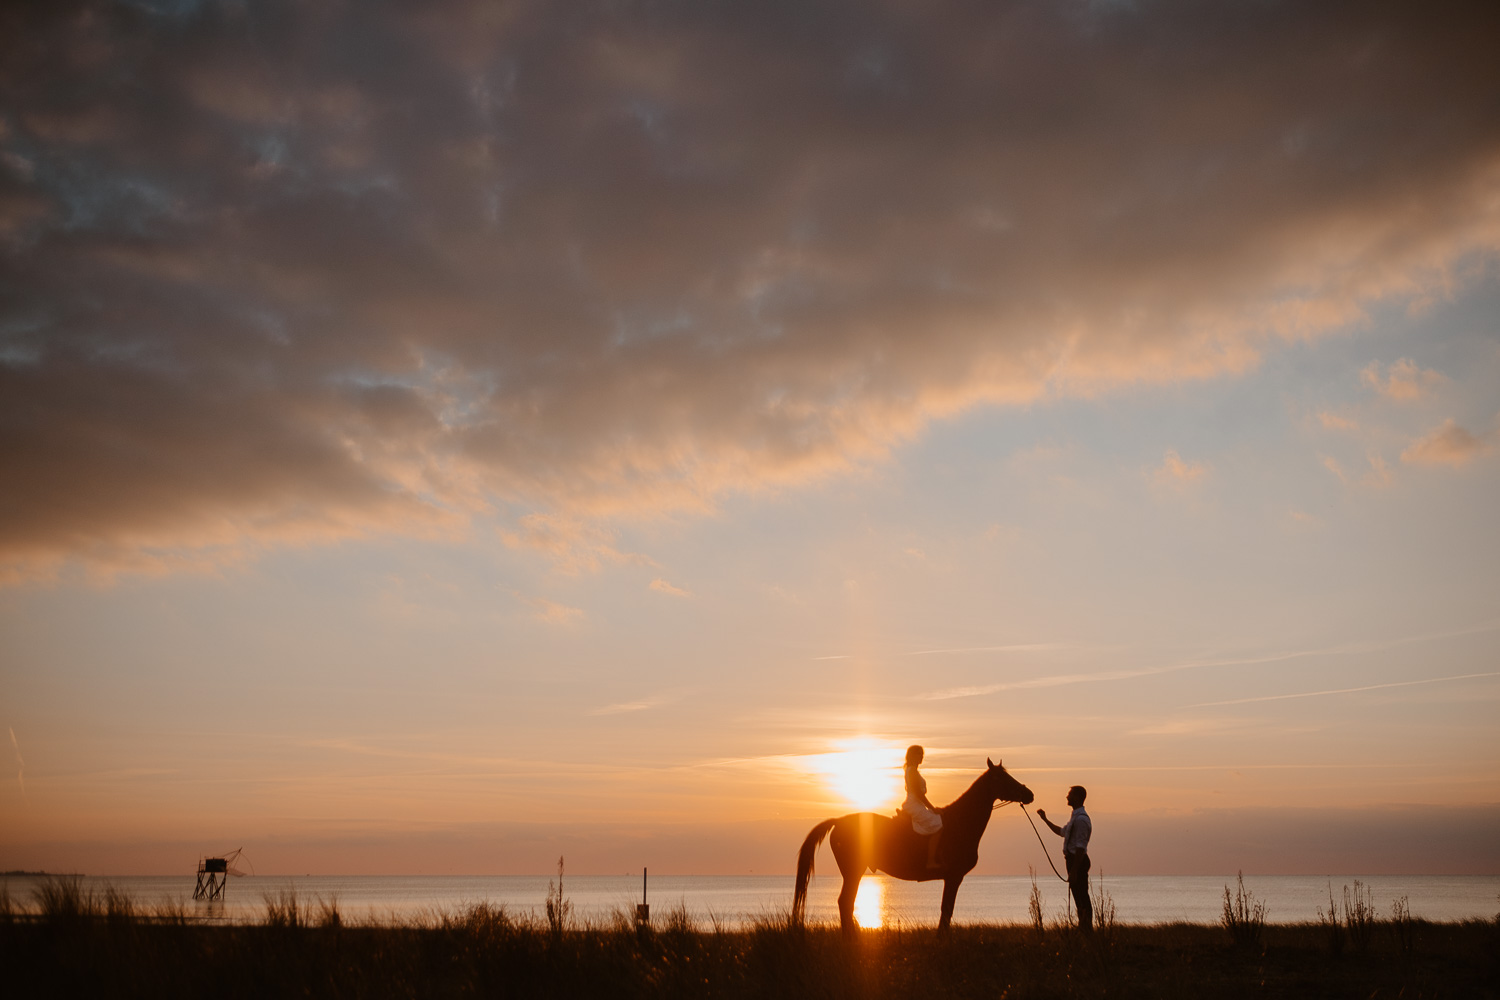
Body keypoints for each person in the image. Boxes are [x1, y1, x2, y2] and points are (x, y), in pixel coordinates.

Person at [1038, 785, 1093, 933]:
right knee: (1079, 896)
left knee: (1081, 896)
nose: (1067, 797)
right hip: (1074, 861)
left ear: (1077, 797)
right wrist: (1045, 819)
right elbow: (1062, 832)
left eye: (1069, 794)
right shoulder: (1075, 817)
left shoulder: (1081, 820)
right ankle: (1084, 928)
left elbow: (1081, 848)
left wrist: (1074, 870)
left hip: (1077, 862)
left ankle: (1087, 929)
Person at [902, 745, 943, 869]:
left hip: (916, 804)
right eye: (919, 754)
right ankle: (930, 861)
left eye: (922, 754)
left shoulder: (912, 770)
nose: (921, 757)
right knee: (939, 825)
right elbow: (919, 794)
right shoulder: (912, 771)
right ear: (912, 756)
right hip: (914, 805)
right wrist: (932, 808)